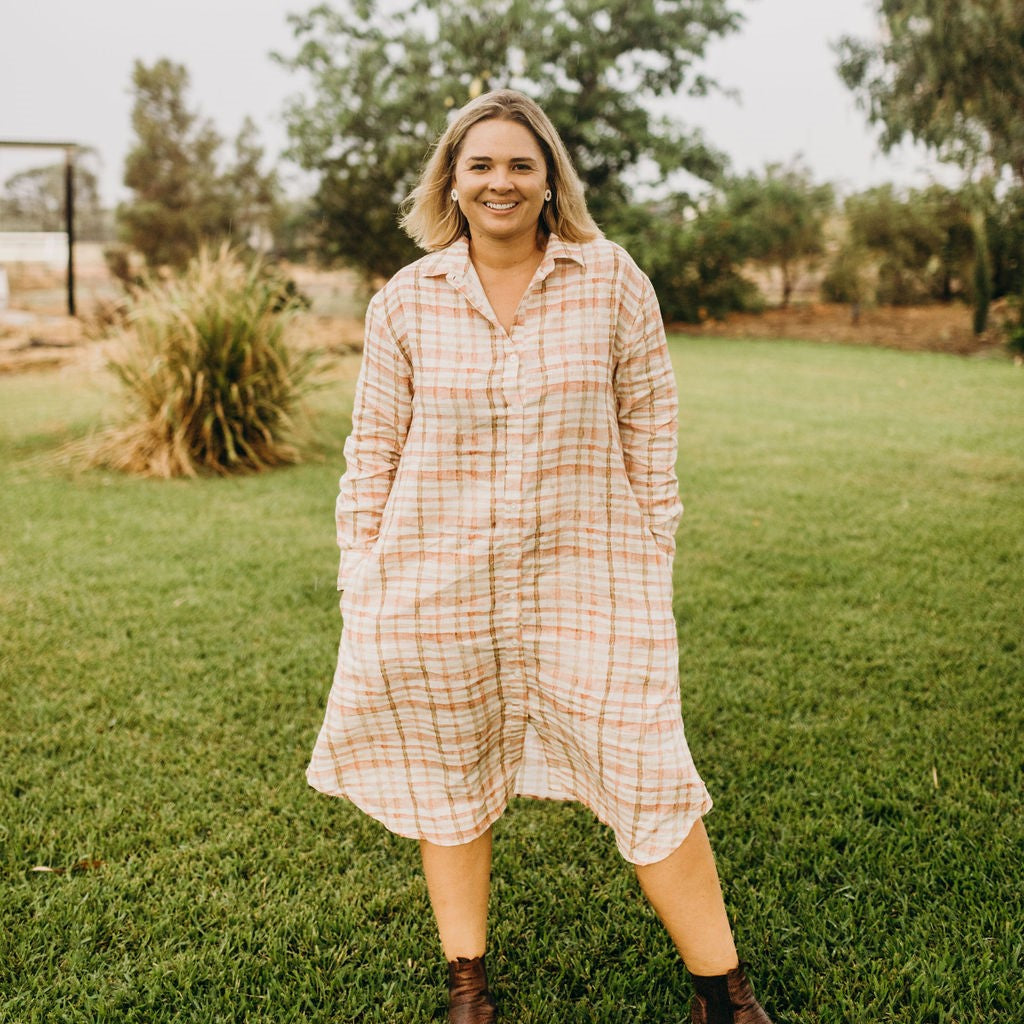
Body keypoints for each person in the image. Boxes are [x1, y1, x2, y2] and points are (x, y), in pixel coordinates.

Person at [307, 89, 774, 1024]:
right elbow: (373, 454)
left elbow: (650, 423)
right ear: (452, 180)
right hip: (437, 588)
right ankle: (468, 990)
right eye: (480, 164)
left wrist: (652, 546)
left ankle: (726, 998)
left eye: (521, 163)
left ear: (551, 179)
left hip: (590, 583)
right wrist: (362, 574)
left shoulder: (610, 281)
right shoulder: (406, 302)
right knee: (452, 780)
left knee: (649, 771)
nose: (500, 181)